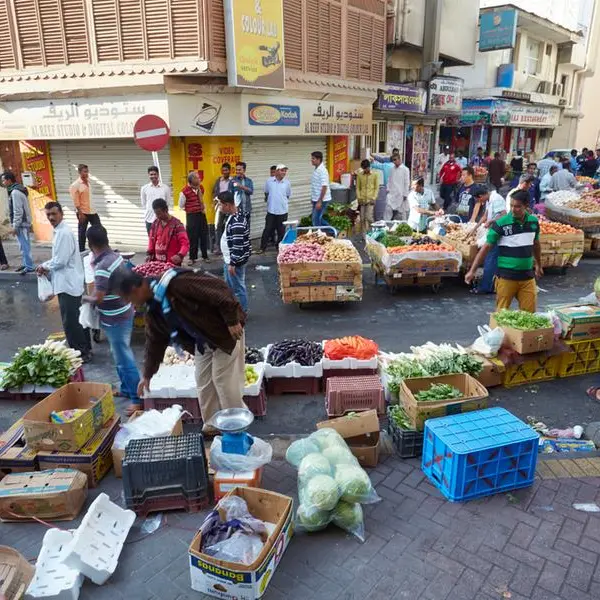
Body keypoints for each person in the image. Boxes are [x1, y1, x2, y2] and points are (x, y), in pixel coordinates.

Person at [118, 268, 247, 434]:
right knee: (203, 382)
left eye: (129, 299)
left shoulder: (178, 283)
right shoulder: (153, 309)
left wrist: (232, 320)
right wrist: (148, 374)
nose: (131, 304)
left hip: (225, 333)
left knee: (222, 380)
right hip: (202, 341)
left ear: (137, 289)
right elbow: (155, 341)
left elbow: (219, 288)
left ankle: (236, 427)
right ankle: (213, 425)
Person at [83, 226, 141, 413]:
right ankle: (126, 389)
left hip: (116, 318)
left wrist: (85, 298)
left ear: (90, 244)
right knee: (118, 355)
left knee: (124, 358)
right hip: (124, 312)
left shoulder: (102, 267)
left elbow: (98, 297)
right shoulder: (116, 257)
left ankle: (137, 398)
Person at [466, 190, 542, 312]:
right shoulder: (501, 224)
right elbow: (485, 248)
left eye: (517, 206)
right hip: (506, 278)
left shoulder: (533, 222)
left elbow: (536, 244)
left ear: (526, 206)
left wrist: (538, 265)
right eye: (511, 206)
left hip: (527, 277)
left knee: (529, 314)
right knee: (502, 314)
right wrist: (472, 270)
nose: (513, 209)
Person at [36, 202, 91, 361]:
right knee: (78, 318)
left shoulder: (63, 233)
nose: (51, 217)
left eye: (54, 214)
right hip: (70, 282)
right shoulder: (60, 231)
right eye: (48, 215)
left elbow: (60, 261)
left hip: (68, 284)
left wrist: (44, 266)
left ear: (61, 214)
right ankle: (85, 349)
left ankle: (80, 352)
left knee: (71, 321)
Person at [218, 191, 251, 313]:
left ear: (227, 205)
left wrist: (232, 263)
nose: (219, 207)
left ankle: (243, 312)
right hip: (229, 260)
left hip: (234, 261)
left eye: (221, 205)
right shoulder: (233, 215)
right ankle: (234, 310)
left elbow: (238, 245)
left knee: (238, 288)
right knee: (230, 287)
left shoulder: (237, 222)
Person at [473, 186, 507, 295]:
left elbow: (503, 215)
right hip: (492, 232)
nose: (480, 202)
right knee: (492, 259)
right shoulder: (489, 200)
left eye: (479, 200)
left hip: (497, 233)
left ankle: (486, 287)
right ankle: (492, 286)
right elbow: (485, 216)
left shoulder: (496, 198)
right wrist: (474, 228)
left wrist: (491, 221)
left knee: (490, 260)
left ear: (482, 195)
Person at [2, 171, 33, 273]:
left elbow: (18, 211)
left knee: (24, 246)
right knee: (22, 245)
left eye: (4, 180)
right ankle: (25, 264)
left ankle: (29, 266)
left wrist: (15, 226)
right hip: (22, 223)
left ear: (9, 180)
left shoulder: (15, 192)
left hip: (22, 224)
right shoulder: (17, 190)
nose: (3, 182)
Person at [258, 164, 291, 253]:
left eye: (285, 171)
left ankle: (279, 248)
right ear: (276, 171)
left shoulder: (287, 183)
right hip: (271, 210)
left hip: (282, 211)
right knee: (267, 229)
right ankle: (262, 248)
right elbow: (266, 192)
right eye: (281, 170)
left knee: (281, 231)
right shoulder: (269, 181)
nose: (284, 172)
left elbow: (287, 195)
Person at [147, 198, 189, 265]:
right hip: (157, 264)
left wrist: (180, 255)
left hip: (172, 264)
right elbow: (151, 240)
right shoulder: (155, 224)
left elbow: (185, 243)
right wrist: (149, 254)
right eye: (156, 213)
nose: (157, 216)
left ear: (166, 210)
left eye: (159, 213)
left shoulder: (177, 225)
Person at [179, 172, 209, 265]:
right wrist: (191, 210)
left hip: (201, 214)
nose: (199, 179)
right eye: (197, 178)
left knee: (204, 235)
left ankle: (205, 256)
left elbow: (201, 199)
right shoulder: (184, 191)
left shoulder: (201, 188)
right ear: (192, 180)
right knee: (192, 237)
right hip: (191, 216)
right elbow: (181, 205)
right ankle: (192, 258)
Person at [70, 164, 101, 252]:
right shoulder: (75, 185)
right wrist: (80, 214)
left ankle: (100, 248)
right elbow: (76, 201)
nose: (87, 173)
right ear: (79, 172)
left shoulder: (88, 182)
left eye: (87, 171)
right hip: (83, 212)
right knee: (82, 233)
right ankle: (81, 251)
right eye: (85, 171)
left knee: (99, 230)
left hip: (92, 211)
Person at [140, 166, 171, 235]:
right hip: (149, 220)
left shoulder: (166, 188)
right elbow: (144, 204)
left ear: (158, 175)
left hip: (162, 220)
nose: (153, 176)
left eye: (155, 174)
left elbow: (167, 203)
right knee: (151, 241)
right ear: (148, 175)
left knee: (163, 241)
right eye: (151, 174)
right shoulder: (144, 188)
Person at [212, 163, 232, 255]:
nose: (224, 172)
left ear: (229, 171)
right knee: (217, 227)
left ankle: (228, 246)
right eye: (223, 170)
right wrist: (216, 199)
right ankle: (218, 247)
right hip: (220, 207)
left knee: (229, 227)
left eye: (226, 170)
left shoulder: (233, 181)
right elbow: (214, 192)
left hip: (229, 207)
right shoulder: (218, 181)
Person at [356, 159, 379, 234]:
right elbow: (358, 188)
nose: (365, 170)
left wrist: (374, 198)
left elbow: (376, 188)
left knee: (369, 218)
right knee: (362, 219)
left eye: (366, 168)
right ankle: (364, 236)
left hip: (370, 199)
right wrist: (359, 198)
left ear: (369, 167)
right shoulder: (360, 175)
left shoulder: (375, 174)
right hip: (362, 199)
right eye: (364, 169)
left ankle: (373, 233)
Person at [386, 153, 410, 220]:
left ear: (399, 159)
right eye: (393, 160)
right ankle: (387, 225)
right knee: (388, 209)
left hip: (401, 194)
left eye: (395, 160)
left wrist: (405, 194)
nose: (394, 161)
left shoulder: (405, 169)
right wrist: (388, 189)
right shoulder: (392, 169)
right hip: (392, 193)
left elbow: (407, 182)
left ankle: (404, 226)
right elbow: (389, 180)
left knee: (402, 212)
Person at [310, 151, 332, 227]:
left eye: (313, 159)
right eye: (312, 158)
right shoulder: (317, 169)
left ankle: (331, 232)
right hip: (316, 199)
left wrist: (320, 201)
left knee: (315, 220)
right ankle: (333, 231)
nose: (311, 160)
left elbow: (324, 186)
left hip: (322, 200)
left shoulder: (322, 171)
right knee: (316, 219)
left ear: (319, 159)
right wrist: (313, 198)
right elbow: (316, 186)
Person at [230, 162, 253, 229]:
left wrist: (241, 186)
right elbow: (230, 195)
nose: (237, 171)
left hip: (247, 209)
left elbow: (251, 191)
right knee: (238, 229)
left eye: (239, 170)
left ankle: (247, 239)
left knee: (247, 227)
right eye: (236, 170)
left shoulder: (249, 181)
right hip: (237, 210)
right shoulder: (232, 181)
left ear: (244, 170)